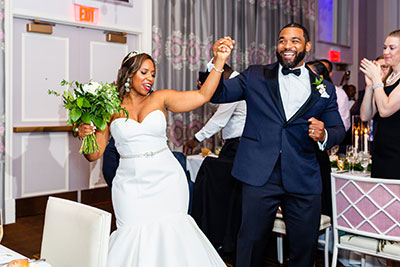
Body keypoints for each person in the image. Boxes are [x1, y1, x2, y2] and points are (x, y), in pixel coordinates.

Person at [78, 37, 234, 267]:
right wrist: (86, 135)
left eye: (153, 73)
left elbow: (202, 96)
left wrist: (219, 61)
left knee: (173, 234)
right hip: (130, 185)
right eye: (144, 72)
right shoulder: (110, 107)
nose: (150, 78)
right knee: (132, 236)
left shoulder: (161, 98)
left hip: (167, 179)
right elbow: (93, 155)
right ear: (128, 74)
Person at [210, 23, 345, 267]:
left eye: (295, 41)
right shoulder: (254, 75)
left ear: (307, 46)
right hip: (260, 173)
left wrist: (325, 133)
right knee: (250, 243)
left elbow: (338, 129)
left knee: (304, 248)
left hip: (303, 176)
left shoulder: (324, 88)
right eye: (282, 40)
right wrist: (218, 61)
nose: (287, 46)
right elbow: (217, 94)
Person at [360, 29, 400, 179]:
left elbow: (385, 110)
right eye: (384, 47)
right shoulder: (388, 79)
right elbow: (365, 115)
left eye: (392, 48)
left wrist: (377, 79)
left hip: (397, 154)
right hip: (382, 151)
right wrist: (370, 86)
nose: (386, 52)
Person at [183, 64, 246, 160]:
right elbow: (220, 106)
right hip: (235, 142)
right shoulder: (233, 83)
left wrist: (196, 140)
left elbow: (219, 119)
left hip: (238, 143)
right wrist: (205, 93)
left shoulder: (235, 85)